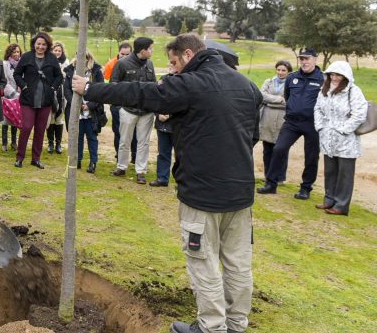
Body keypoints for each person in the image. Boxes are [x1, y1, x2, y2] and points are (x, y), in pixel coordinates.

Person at [72, 34, 262, 333]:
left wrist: (92, 89)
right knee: (238, 263)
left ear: (188, 54)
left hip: (202, 194)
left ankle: (211, 327)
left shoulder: (192, 83)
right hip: (240, 192)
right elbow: (253, 135)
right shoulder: (247, 85)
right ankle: (236, 324)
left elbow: (140, 93)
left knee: (204, 262)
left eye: (174, 63)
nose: (172, 69)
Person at [258, 48, 324, 199]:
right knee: (279, 149)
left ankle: (305, 188)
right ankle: (271, 184)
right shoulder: (292, 77)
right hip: (292, 122)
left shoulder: (322, 79)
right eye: (301, 59)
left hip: (312, 123)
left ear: (315, 60)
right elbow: (287, 96)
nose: (304, 62)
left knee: (311, 156)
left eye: (307, 59)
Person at [313, 61, 368, 216]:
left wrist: (343, 130)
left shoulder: (354, 91)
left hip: (346, 140)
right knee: (330, 170)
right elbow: (317, 108)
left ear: (345, 76)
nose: (334, 77)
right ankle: (329, 200)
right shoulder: (325, 89)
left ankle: (341, 205)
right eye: (332, 74)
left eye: (338, 74)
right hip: (327, 137)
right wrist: (321, 126)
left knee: (344, 173)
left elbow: (359, 115)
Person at [110, 37, 157, 184]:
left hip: (146, 111)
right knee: (124, 140)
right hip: (128, 110)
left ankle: (140, 171)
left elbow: (153, 85)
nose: (152, 51)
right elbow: (114, 85)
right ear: (143, 50)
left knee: (143, 142)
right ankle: (121, 167)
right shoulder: (122, 64)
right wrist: (119, 106)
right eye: (150, 48)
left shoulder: (150, 64)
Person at [14, 32, 63, 169]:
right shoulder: (26, 57)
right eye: (38, 44)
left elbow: (59, 77)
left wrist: (52, 88)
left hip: (45, 100)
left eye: (43, 44)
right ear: (34, 44)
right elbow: (17, 74)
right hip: (28, 98)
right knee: (27, 127)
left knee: (40, 130)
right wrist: (23, 86)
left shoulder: (52, 58)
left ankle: (36, 158)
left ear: (47, 46)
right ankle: (20, 157)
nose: (40, 47)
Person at [63, 51, 106, 173]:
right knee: (78, 136)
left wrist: (90, 105)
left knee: (92, 137)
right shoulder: (70, 71)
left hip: (92, 111)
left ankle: (93, 162)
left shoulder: (96, 72)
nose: (82, 60)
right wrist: (76, 104)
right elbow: (67, 90)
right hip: (76, 111)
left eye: (85, 58)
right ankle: (78, 160)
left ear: (89, 58)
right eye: (79, 57)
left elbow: (101, 89)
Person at [258, 61, 292, 181]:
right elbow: (261, 96)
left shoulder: (291, 83)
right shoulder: (269, 81)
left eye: (283, 70)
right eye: (278, 69)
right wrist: (279, 99)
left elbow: (290, 101)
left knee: (281, 149)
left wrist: (269, 100)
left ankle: (280, 177)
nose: (280, 72)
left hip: (282, 119)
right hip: (267, 118)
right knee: (267, 149)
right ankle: (268, 175)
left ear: (288, 72)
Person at [150, 62, 176, 187]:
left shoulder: (185, 80)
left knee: (180, 154)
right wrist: (158, 114)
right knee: (163, 152)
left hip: (177, 126)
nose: (170, 65)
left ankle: (180, 180)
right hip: (162, 125)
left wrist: (170, 115)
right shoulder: (163, 80)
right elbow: (155, 99)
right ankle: (162, 178)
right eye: (170, 63)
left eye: (173, 63)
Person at [105, 42, 133, 160]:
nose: (125, 57)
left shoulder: (135, 64)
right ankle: (119, 154)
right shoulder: (111, 64)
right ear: (118, 52)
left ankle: (134, 155)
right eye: (122, 54)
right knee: (118, 131)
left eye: (128, 54)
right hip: (116, 103)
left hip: (131, 103)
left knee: (133, 131)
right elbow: (106, 82)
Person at [46, 41, 69, 154]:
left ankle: (58, 144)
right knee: (50, 117)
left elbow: (66, 75)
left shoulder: (66, 62)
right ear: (52, 51)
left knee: (59, 117)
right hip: (51, 90)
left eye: (59, 51)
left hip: (62, 92)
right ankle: (50, 143)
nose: (57, 52)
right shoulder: (47, 60)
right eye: (55, 50)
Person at [1, 43, 22, 151]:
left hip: (19, 96)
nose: (16, 54)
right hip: (8, 95)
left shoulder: (22, 64)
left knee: (16, 117)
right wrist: (13, 93)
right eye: (14, 52)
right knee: (5, 119)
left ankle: (14, 142)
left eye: (18, 52)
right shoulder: (5, 64)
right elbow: (4, 81)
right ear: (9, 53)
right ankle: (4, 143)